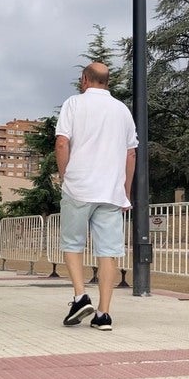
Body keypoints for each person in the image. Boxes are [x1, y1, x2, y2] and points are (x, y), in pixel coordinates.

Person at [55, 62, 138, 331]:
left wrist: (65, 174)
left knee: (72, 244)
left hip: (79, 186)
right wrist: (125, 190)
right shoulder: (122, 110)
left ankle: (80, 296)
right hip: (111, 191)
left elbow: (61, 142)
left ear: (85, 80)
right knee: (108, 253)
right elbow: (131, 153)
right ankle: (103, 314)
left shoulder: (73, 104)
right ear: (108, 82)